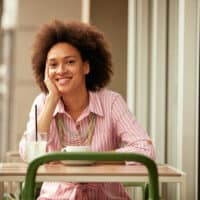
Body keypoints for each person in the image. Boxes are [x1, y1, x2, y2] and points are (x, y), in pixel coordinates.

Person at [19, 19, 155, 200]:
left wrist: (87, 159)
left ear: (86, 66)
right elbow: (28, 154)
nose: (60, 70)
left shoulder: (111, 102)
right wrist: (52, 100)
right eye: (53, 64)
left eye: (69, 62)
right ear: (45, 71)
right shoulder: (42, 103)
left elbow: (146, 150)